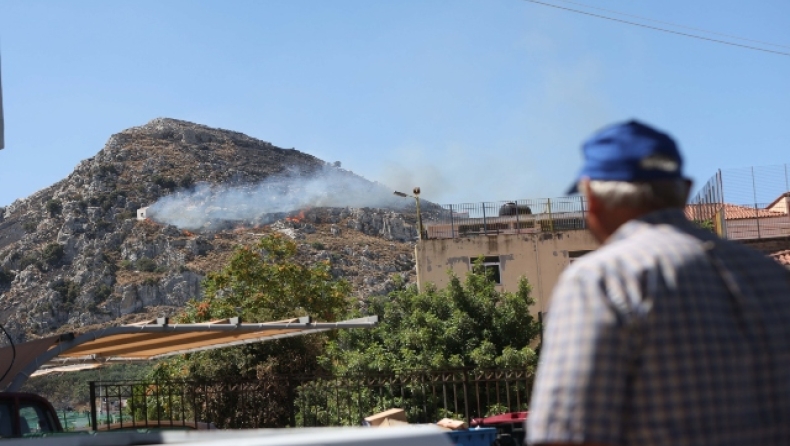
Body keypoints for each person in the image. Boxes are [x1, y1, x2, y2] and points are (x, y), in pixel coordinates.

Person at [527, 120, 790, 446]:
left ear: (591, 197)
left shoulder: (601, 280)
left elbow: (565, 438)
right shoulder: (773, 277)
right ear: (685, 189)